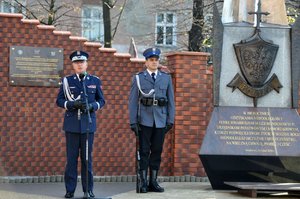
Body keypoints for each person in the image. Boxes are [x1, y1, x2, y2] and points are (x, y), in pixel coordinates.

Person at [56, 50, 105, 198]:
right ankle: (70, 190)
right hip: (71, 126)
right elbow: (59, 101)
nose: (79, 65)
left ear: (86, 63)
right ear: (73, 65)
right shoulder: (67, 81)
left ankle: (87, 190)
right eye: (76, 62)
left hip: (88, 126)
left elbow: (102, 101)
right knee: (71, 160)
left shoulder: (94, 81)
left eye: (82, 62)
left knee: (86, 160)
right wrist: (71, 104)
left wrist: (92, 106)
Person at [129, 47, 175, 193]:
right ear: (146, 62)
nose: (154, 62)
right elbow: (133, 101)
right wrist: (133, 121)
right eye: (151, 60)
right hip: (145, 119)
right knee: (143, 151)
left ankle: (153, 181)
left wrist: (170, 120)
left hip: (160, 120)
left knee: (156, 151)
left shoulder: (166, 77)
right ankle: (143, 182)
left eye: (156, 60)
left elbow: (171, 101)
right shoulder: (139, 77)